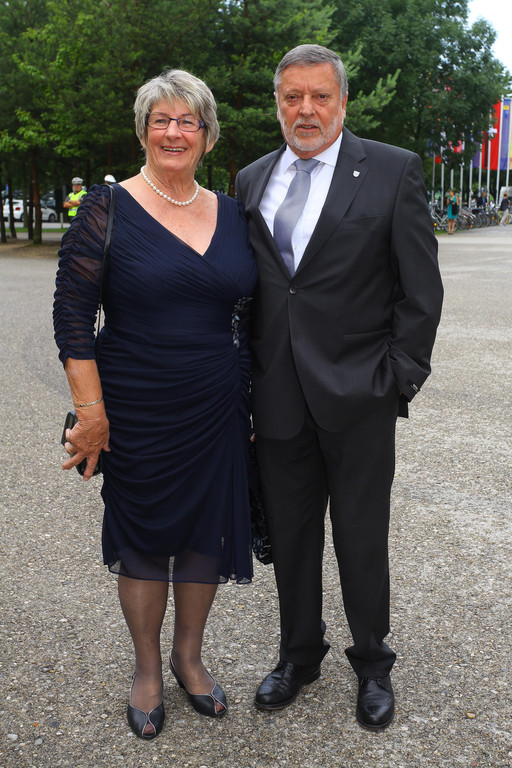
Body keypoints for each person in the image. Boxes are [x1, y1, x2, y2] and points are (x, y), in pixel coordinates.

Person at [236, 44, 443, 730]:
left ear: (343, 102)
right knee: (291, 538)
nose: (306, 110)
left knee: (361, 536)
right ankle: (299, 655)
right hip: (277, 395)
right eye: (292, 97)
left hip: (360, 395)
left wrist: (397, 378)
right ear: (277, 103)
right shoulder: (251, 179)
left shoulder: (390, 170)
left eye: (320, 96)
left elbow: (421, 291)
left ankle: (373, 663)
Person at [53, 69, 257, 740]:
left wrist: (255, 403)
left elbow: (252, 312)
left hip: (216, 404)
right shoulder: (106, 208)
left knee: (204, 535)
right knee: (142, 538)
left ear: (207, 135)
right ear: (143, 131)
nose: (174, 132)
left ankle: (188, 659)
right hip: (135, 406)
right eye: (160, 120)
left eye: (187, 121)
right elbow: (73, 318)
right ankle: (146, 668)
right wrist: (91, 415)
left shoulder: (233, 213)